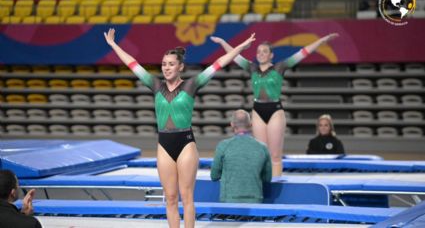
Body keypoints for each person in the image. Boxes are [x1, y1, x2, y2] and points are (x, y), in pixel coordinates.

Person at [104, 28, 255, 228]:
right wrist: (114, 45)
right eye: (164, 64)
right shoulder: (155, 85)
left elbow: (219, 63)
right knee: (171, 197)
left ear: (180, 67)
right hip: (164, 144)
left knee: (187, 197)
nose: (166, 68)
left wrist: (241, 47)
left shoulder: (192, 85)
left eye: (171, 64)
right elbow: (132, 63)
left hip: (185, 144)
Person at [211, 33, 339, 177]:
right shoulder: (252, 68)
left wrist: (321, 40)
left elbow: (303, 53)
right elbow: (234, 55)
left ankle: (276, 184)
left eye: (265, 51)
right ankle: (263, 185)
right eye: (258, 51)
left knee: (275, 155)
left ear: (271, 55)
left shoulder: (280, 67)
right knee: (261, 153)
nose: (261, 54)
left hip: (275, 111)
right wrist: (222, 41)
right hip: (257, 111)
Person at [210, 109, 272, 203]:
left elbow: (214, 176)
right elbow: (267, 178)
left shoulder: (223, 146)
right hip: (255, 202)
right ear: (250, 124)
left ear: (232, 124)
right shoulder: (262, 147)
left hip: (229, 203)